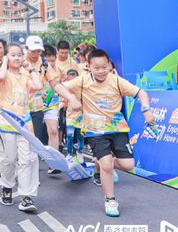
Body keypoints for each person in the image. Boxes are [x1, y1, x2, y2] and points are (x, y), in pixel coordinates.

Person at [54, 49, 153, 217]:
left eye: (104, 67)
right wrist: (72, 99)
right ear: (88, 67)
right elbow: (58, 86)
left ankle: (103, 162)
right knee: (107, 165)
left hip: (117, 128)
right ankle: (110, 200)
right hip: (95, 131)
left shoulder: (116, 81)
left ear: (109, 66)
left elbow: (141, 93)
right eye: (97, 68)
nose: (101, 71)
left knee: (128, 165)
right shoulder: (83, 80)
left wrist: (146, 110)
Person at [0, 43, 43, 212]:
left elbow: (38, 86)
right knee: (9, 159)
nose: (17, 58)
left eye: (20, 55)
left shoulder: (25, 76)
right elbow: (1, 75)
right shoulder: (3, 75)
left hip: (24, 124)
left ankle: (27, 196)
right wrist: (5, 62)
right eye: (13, 54)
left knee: (28, 159)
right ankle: (6, 186)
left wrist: (31, 69)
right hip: (5, 123)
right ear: (6, 57)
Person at [41, 44, 64, 173]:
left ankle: (53, 163)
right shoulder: (38, 70)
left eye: (52, 61)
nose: (50, 64)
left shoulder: (59, 70)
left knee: (54, 131)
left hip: (53, 104)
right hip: (37, 105)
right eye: (47, 61)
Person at [24, 35, 47, 147]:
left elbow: (52, 80)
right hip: (22, 107)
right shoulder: (19, 62)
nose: (36, 54)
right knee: (23, 138)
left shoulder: (44, 63)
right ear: (26, 48)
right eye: (33, 51)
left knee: (36, 137)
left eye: (38, 51)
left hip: (37, 106)